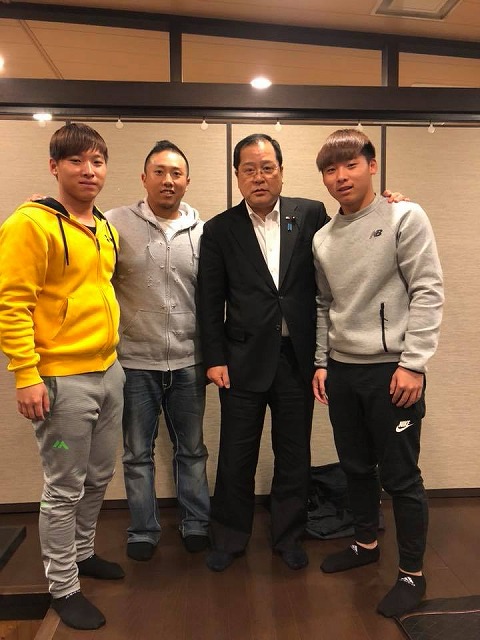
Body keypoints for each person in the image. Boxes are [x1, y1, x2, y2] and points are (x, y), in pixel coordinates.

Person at [312, 129, 444, 617]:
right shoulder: (323, 238)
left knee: (402, 477)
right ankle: (365, 543)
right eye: (331, 169)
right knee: (355, 466)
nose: (341, 176)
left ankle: (412, 573)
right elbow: (324, 303)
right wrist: (322, 362)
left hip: (393, 372)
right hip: (342, 371)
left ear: (371, 165)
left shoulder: (404, 215)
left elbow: (427, 289)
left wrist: (413, 363)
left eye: (351, 164)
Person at [0, 123, 125, 631]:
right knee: (64, 486)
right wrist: (25, 375)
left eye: (97, 161)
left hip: (109, 371)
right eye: (76, 161)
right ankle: (63, 586)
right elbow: (13, 303)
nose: (88, 170)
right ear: (54, 166)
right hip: (60, 381)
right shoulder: (30, 223)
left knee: (99, 475)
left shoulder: (103, 225)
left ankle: (83, 552)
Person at [197, 133, 329, 573]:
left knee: (293, 454)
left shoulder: (310, 214)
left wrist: (390, 205)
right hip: (241, 361)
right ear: (237, 175)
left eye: (267, 167)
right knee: (236, 456)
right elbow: (210, 300)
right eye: (249, 169)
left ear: (281, 172)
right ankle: (229, 537)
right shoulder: (219, 229)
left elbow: (347, 238)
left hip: (296, 360)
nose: (259, 177)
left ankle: (288, 536)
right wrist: (214, 358)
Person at [105, 140, 210, 562]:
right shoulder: (113, 223)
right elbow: (76, 237)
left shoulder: (204, 231)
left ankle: (197, 523)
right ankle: (143, 529)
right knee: (136, 454)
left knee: (193, 451)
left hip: (189, 361)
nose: (168, 180)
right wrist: (43, 207)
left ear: (187, 180)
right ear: (144, 178)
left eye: (176, 173)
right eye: (160, 172)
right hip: (134, 362)